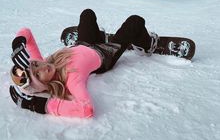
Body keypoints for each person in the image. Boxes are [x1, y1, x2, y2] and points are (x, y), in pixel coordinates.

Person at [9, 9, 158, 118]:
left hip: (85, 43)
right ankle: (148, 44)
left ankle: (99, 36)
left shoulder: (45, 64)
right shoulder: (72, 78)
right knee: (135, 21)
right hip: (106, 54)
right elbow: (86, 109)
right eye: (37, 75)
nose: (41, 67)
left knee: (87, 14)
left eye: (35, 65)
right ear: (41, 86)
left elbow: (26, 33)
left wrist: (18, 43)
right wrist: (41, 105)